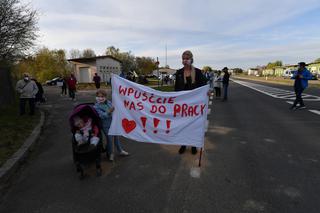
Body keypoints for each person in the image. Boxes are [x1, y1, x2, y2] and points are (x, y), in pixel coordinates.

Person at [174, 50, 208, 155]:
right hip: (182, 104)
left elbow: (203, 85)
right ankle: (183, 144)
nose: (185, 60)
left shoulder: (197, 72)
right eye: (183, 58)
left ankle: (193, 144)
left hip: (194, 104)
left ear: (191, 59)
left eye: (187, 58)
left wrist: (207, 92)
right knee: (183, 125)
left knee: (193, 125)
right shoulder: (179, 72)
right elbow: (176, 88)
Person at [93, 89, 129, 161]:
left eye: (102, 96)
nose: (100, 98)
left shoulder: (108, 102)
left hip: (114, 123)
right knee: (109, 139)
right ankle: (110, 154)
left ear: (105, 97)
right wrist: (109, 112)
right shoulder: (96, 107)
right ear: (96, 97)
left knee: (116, 138)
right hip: (106, 126)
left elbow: (115, 108)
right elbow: (102, 116)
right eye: (99, 96)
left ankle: (120, 150)